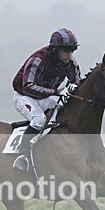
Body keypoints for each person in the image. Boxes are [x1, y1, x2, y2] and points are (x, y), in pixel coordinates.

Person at [11, 28, 82, 171]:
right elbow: (28, 86)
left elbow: (77, 81)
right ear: (55, 50)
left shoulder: (70, 62)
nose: (70, 54)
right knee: (39, 120)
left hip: (45, 97)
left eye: (72, 50)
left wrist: (73, 88)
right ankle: (22, 155)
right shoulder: (38, 60)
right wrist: (56, 91)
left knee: (62, 115)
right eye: (66, 50)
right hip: (24, 96)